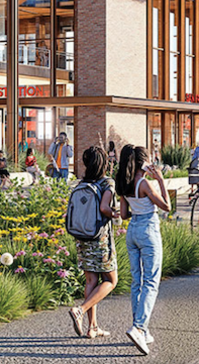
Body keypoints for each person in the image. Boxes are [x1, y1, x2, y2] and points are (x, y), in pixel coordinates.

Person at [115, 145, 170, 355]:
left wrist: (134, 205)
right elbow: (167, 206)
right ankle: (138, 327)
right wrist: (161, 180)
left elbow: (123, 215)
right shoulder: (144, 184)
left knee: (137, 281)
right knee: (151, 282)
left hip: (132, 231)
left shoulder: (124, 183)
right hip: (148, 230)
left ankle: (142, 329)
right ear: (143, 162)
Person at [68, 146, 118, 340]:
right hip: (100, 238)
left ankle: (93, 327)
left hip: (82, 236)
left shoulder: (83, 182)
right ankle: (80, 310)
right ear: (104, 163)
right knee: (111, 281)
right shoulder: (107, 182)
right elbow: (104, 208)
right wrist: (116, 213)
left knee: (91, 280)